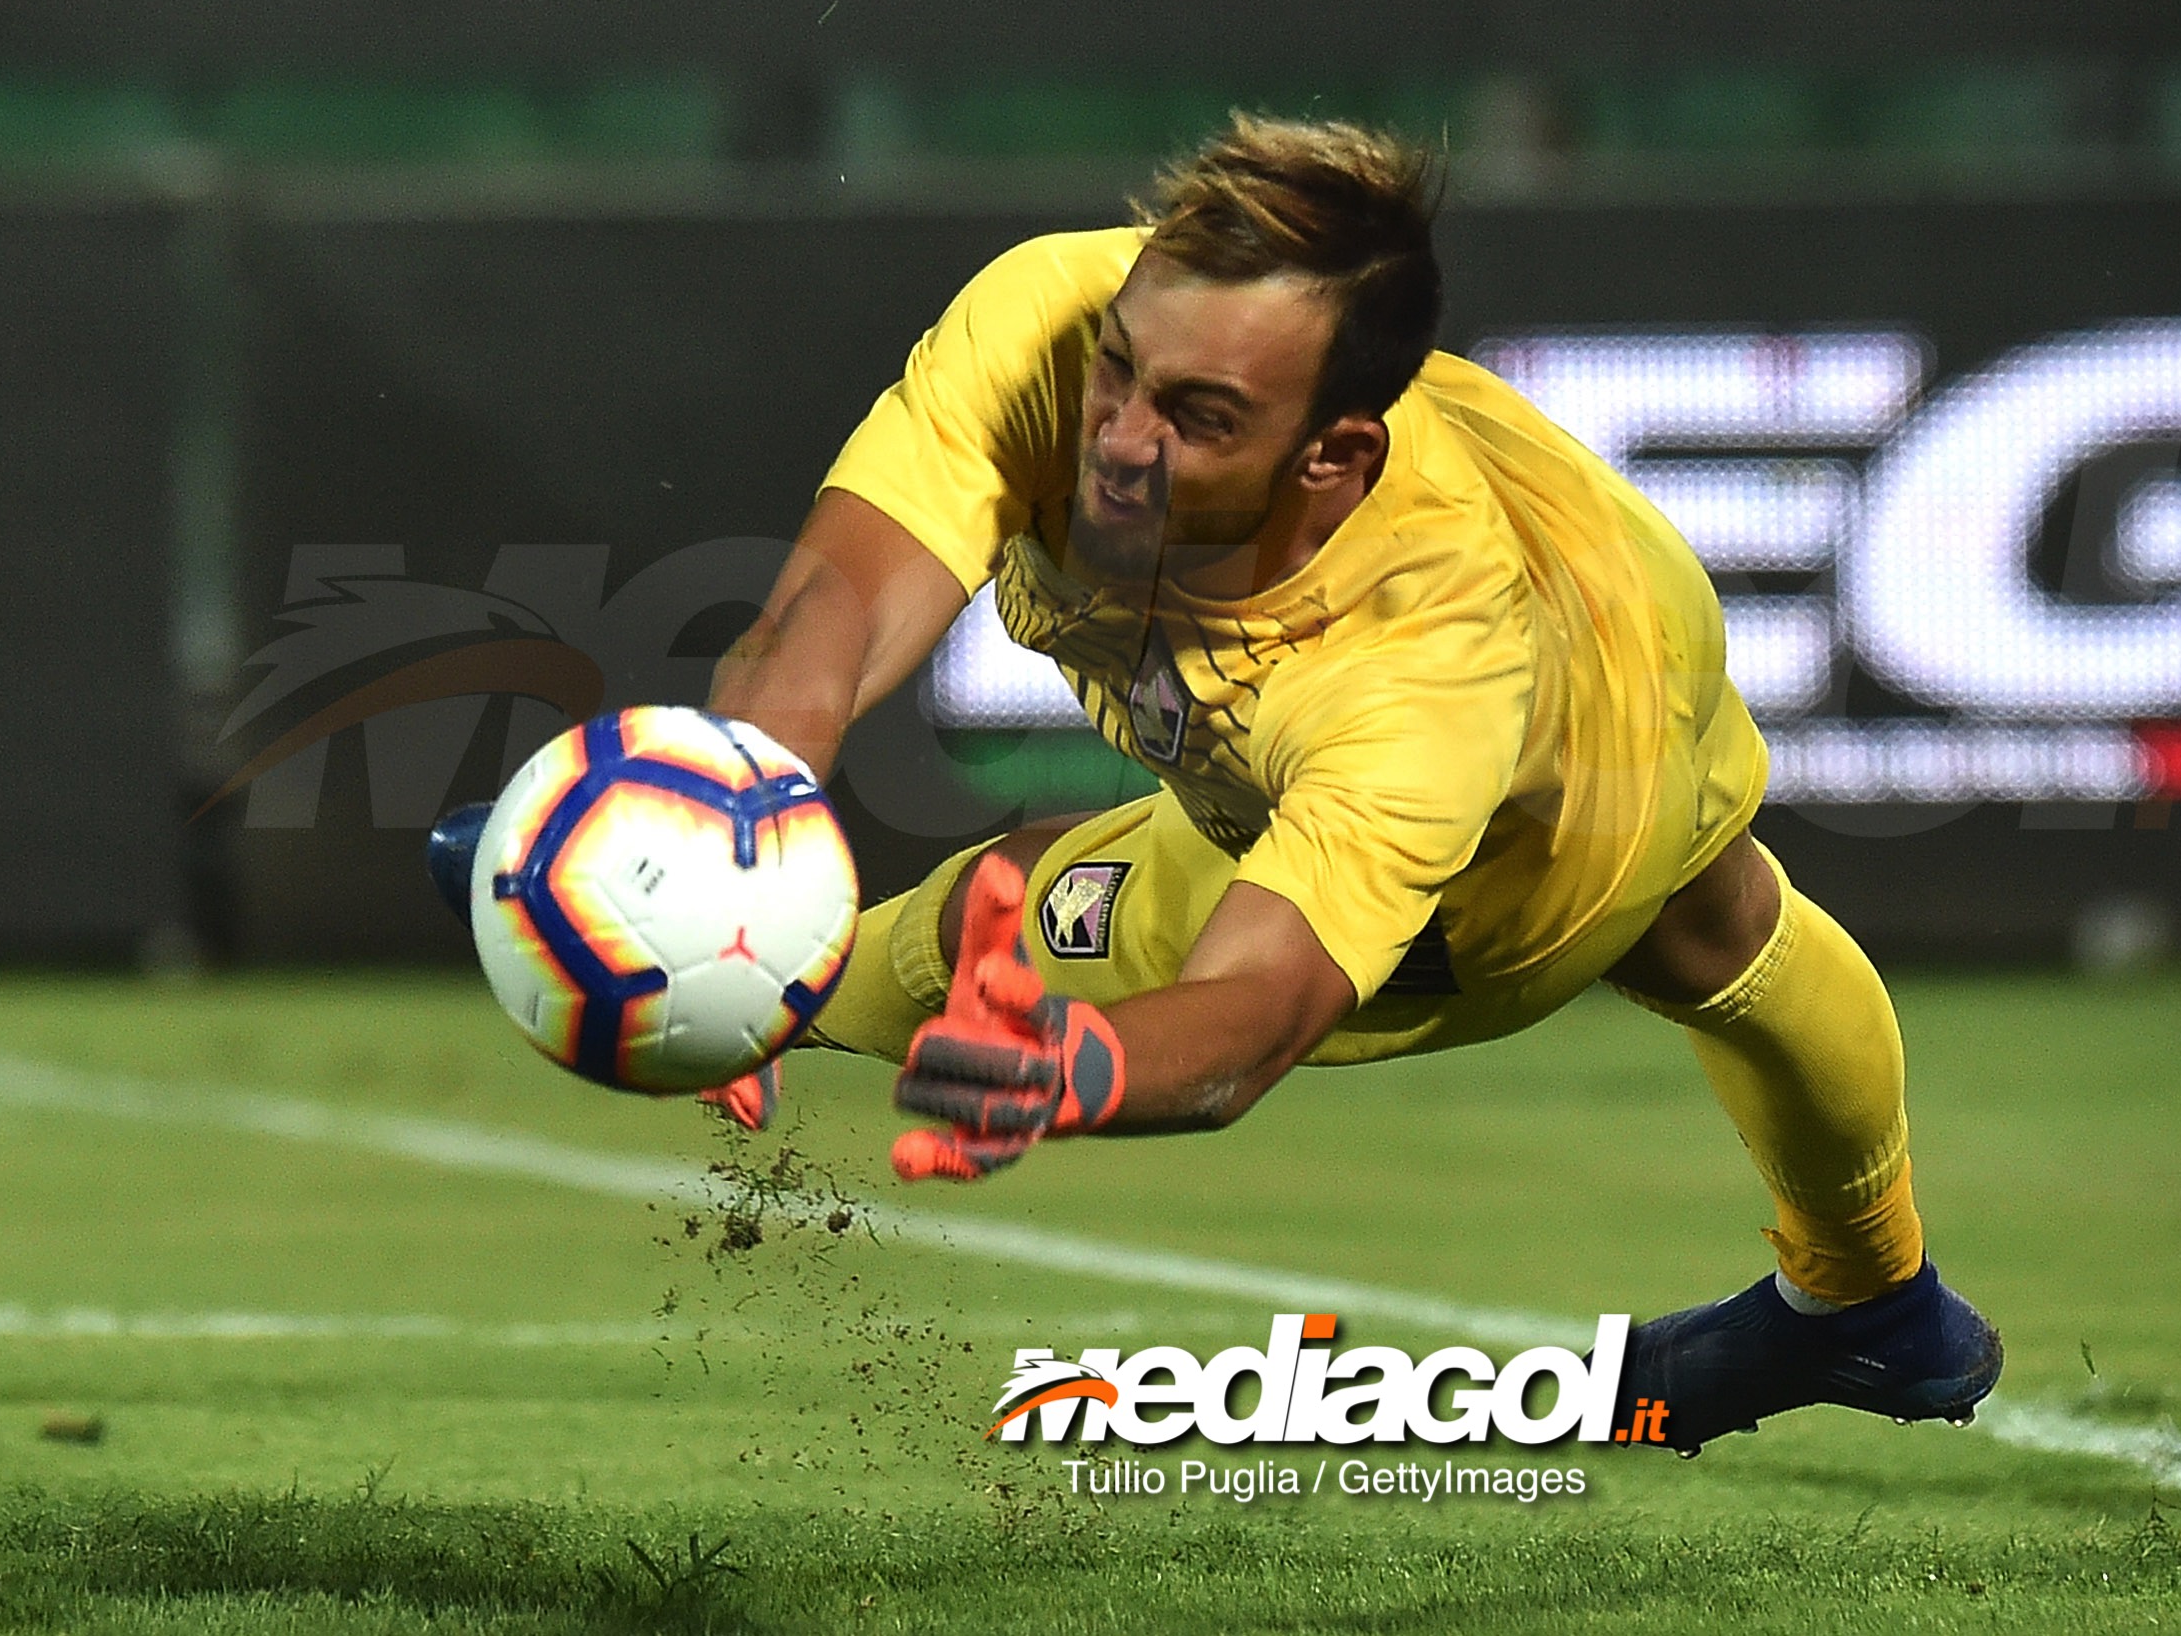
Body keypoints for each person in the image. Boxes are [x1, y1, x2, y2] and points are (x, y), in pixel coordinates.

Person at [456, 115, 2000, 1451]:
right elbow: (831, 619)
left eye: (1198, 420)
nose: (1118, 443)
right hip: (1521, 577)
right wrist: (726, 834)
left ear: (1331, 457)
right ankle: (1873, 1308)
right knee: (1035, 882)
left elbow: (1252, 1017)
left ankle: (1860, 1292)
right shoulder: (1047, 321)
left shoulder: (1423, 675)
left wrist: (1075, 1073)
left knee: (1695, 922)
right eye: (1123, 372)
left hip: (1551, 833)